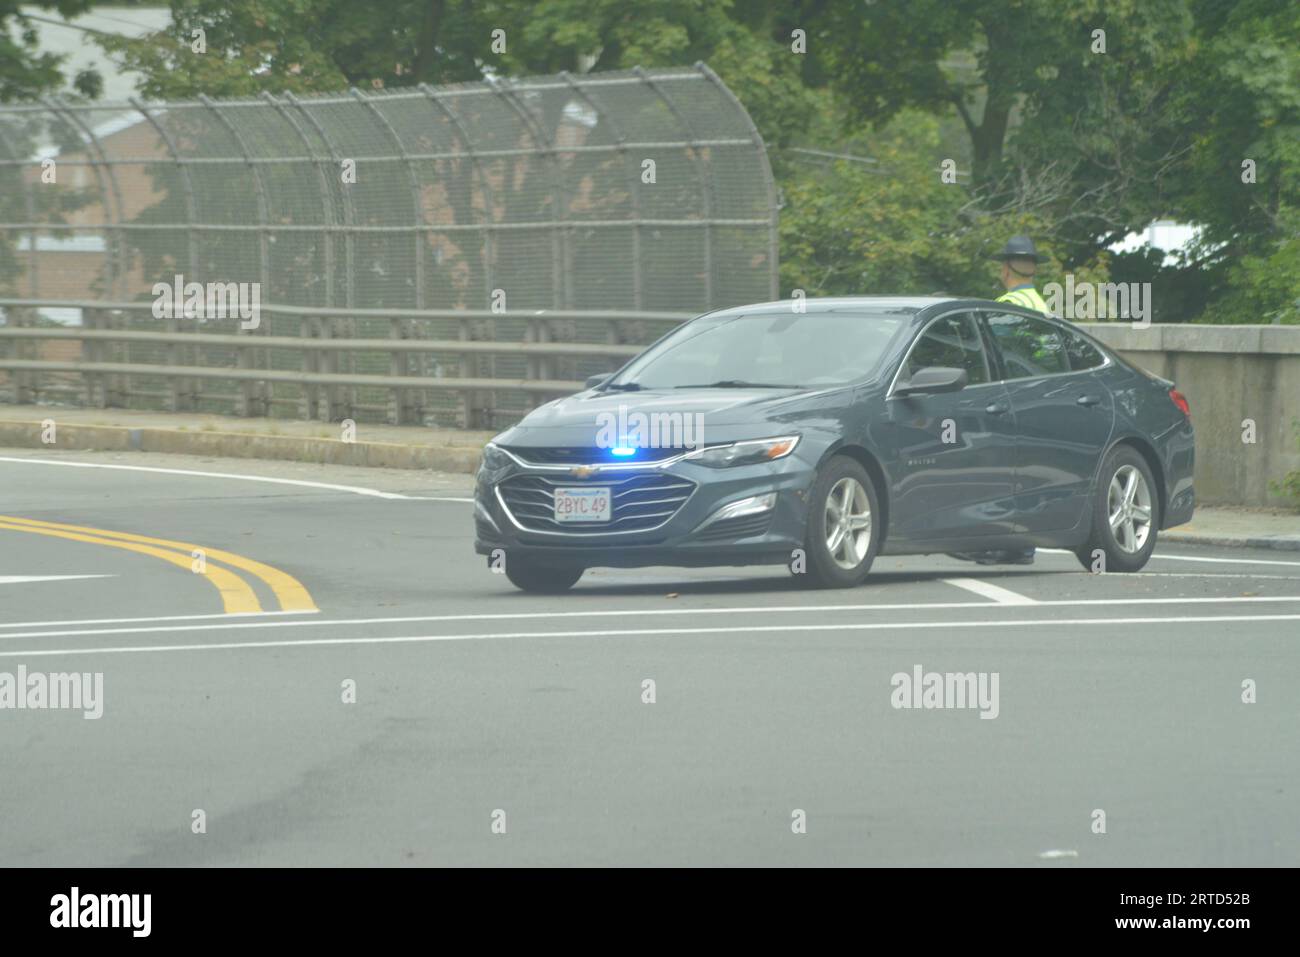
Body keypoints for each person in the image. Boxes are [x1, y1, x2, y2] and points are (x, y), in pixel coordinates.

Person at [948, 236, 1050, 567]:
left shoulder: (1006, 305)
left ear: (1006, 269)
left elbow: (987, 352)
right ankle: (1021, 547)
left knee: (996, 470)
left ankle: (991, 542)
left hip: (1009, 395)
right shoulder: (1041, 304)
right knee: (1025, 472)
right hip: (1038, 394)